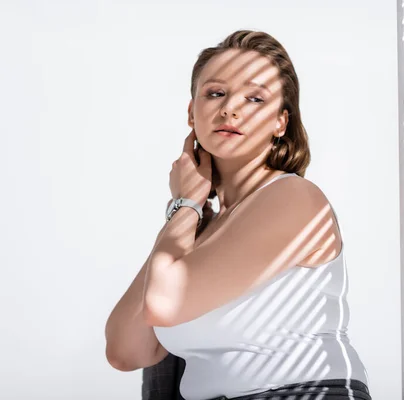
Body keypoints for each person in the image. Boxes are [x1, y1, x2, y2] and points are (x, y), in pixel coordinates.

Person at [105, 29, 371, 400]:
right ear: (191, 112)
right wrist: (190, 212)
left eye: (255, 98)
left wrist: (185, 204)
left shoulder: (293, 198)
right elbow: (126, 350)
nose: (230, 108)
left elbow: (165, 303)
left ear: (281, 121)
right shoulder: (197, 226)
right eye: (215, 93)